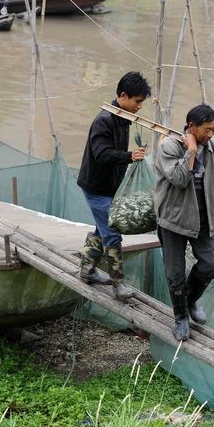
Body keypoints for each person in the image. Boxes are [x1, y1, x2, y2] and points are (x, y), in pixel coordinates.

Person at [76, 71, 151, 301]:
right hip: (96, 188)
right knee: (112, 233)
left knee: (102, 229)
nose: (139, 107)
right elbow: (101, 154)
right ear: (124, 96)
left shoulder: (123, 118)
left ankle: (87, 270)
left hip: (111, 188)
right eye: (137, 102)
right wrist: (129, 156)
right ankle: (118, 285)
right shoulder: (104, 120)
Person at [153, 104, 214, 341]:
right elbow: (179, 179)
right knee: (175, 273)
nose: (211, 134)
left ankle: (190, 300)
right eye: (207, 129)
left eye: (213, 129)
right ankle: (181, 317)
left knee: (211, 264)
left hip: (203, 218)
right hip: (173, 219)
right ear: (191, 127)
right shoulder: (169, 147)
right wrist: (191, 152)